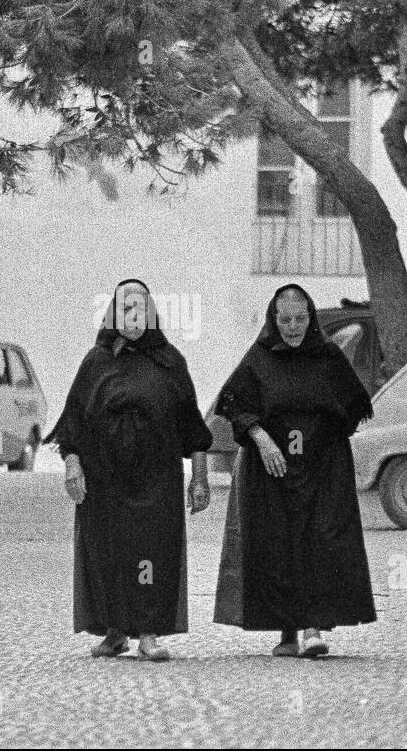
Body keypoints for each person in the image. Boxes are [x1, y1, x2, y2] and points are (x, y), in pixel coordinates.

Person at [46, 279, 213, 661]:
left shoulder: (170, 362)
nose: (133, 315)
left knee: (150, 555)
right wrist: (72, 465)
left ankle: (149, 633)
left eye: (140, 307)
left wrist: (200, 479)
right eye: (125, 308)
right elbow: (72, 425)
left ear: (152, 313)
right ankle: (115, 631)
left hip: (156, 481)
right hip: (105, 480)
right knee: (106, 554)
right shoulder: (96, 362)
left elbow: (193, 430)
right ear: (113, 315)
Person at [213, 284, 377, 657]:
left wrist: (325, 439)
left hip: (322, 468)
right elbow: (234, 403)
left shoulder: (328, 356)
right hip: (273, 468)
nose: (293, 327)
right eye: (285, 319)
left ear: (311, 318)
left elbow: (354, 406)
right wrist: (261, 437)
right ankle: (287, 631)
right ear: (274, 319)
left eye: (300, 318)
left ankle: (314, 629)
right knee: (277, 544)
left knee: (319, 542)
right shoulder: (258, 357)